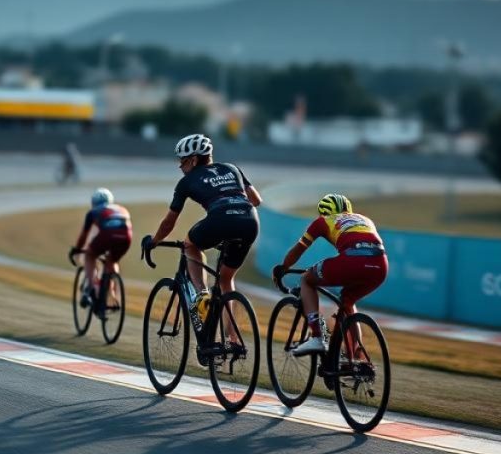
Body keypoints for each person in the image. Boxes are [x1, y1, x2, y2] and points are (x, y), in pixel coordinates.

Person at [142, 133, 262, 313]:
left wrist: (155, 240)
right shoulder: (232, 168)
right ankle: (233, 339)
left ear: (194, 160)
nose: (180, 166)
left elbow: (169, 222)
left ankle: (202, 296)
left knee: (190, 245)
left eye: (182, 161)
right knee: (225, 280)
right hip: (250, 220)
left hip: (220, 218)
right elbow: (256, 200)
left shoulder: (186, 182)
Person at [271, 194, 387, 356]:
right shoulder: (364, 219)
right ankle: (355, 359)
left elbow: (299, 249)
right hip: (380, 266)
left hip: (352, 261)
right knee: (348, 301)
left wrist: (283, 267)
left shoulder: (322, 221)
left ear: (323, 212)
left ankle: (318, 337)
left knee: (307, 280)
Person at [71, 187, 132, 308]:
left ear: (93, 203)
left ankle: (93, 288)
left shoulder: (93, 212)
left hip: (107, 235)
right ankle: (113, 294)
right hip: (126, 236)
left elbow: (83, 236)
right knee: (112, 261)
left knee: (90, 255)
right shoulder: (120, 208)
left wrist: (77, 249)